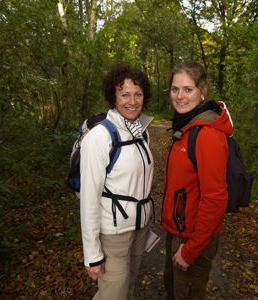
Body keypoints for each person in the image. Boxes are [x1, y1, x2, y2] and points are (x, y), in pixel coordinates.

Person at [80, 64, 154, 300]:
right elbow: (89, 199)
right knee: (113, 293)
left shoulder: (141, 131)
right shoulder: (100, 137)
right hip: (114, 234)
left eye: (138, 94)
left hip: (140, 229)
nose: (132, 101)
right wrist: (92, 255)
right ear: (113, 97)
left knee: (128, 287)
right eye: (124, 94)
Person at [161, 61, 233, 299]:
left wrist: (191, 250)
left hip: (193, 237)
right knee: (173, 287)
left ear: (203, 91)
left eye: (188, 89)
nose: (180, 96)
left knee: (187, 293)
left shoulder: (208, 135)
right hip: (179, 229)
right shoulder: (186, 125)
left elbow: (215, 199)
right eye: (175, 89)